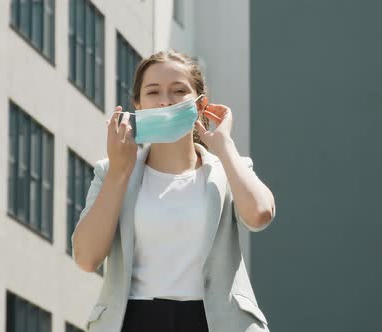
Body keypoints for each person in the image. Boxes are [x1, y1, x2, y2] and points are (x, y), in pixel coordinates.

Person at [71, 50, 276, 332]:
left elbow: (260, 215)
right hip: (135, 320)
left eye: (179, 90)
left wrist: (225, 146)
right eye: (153, 92)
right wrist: (120, 172)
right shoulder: (111, 171)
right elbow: (86, 257)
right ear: (138, 105)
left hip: (214, 322)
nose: (166, 100)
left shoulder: (228, 168)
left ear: (201, 103)